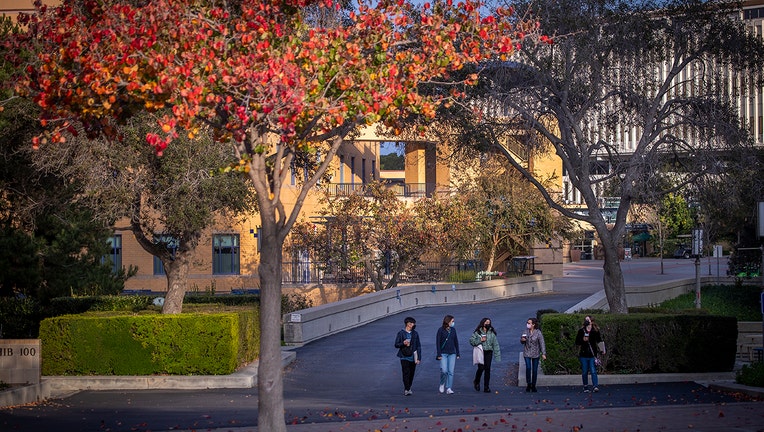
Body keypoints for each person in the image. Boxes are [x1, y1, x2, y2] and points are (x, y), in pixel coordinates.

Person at [469, 317, 501, 393]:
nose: (487, 324)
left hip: (489, 351)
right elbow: (471, 341)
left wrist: (497, 356)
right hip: (480, 351)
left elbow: (495, 345)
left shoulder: (492, 333)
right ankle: (477, 381)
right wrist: (480, 340)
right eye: (486, 322)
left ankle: (486, 387)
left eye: (489, 322)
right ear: (483, 323)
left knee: (487, 369)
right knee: (481, 368)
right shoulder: (478, 332)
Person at [575, 315, 603, 393]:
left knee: (593, 370)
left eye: (588, 320)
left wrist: (602, 350)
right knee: (584, 371)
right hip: (583, 354)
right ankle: (585, 386)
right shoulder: (581, 331)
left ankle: (595, 386)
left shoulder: (595, 331)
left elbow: (599, 341)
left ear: (591, 321)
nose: (587, 321)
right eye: (586, 320)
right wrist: (583, 340)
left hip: (592, 354)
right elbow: (577, 342)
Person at [394, 316, 421, 396]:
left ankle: (409, 386)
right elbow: (396, 344)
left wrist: (419, 357)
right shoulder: (401, 333)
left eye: (413, 323)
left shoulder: (415, 333)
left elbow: (418, 345)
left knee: (412, 373)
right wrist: (403, 343)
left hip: (413, 356)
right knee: (406, 372)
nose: (413, 325)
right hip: (404, 355)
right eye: (411, 323)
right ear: (407, 324)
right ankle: (407, 389)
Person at [520, 317, 546, 392]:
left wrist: (543, 353)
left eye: (529, 323)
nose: (527, 324)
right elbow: (521, 340)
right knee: (528, 368)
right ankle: (529, 383)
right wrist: (522, 340)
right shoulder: (525, 331)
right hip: (527, 352)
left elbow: (542, 343)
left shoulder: (538, 332)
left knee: (535, 370)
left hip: (536, 353)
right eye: (527, 323)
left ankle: (533, 385)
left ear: (533, 324)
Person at [435, 314, 460, 394]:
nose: (453, 323)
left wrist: (458, 352)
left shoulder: (453, 330)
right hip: (443, 353)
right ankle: (442, 383)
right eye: (452, 321)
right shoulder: (440, 330)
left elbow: (456, 341)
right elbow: (438, 343)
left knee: (451, 371)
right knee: (444, 370)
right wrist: (439, 354)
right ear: (448, 321)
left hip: (452, 353)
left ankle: (449, 388)